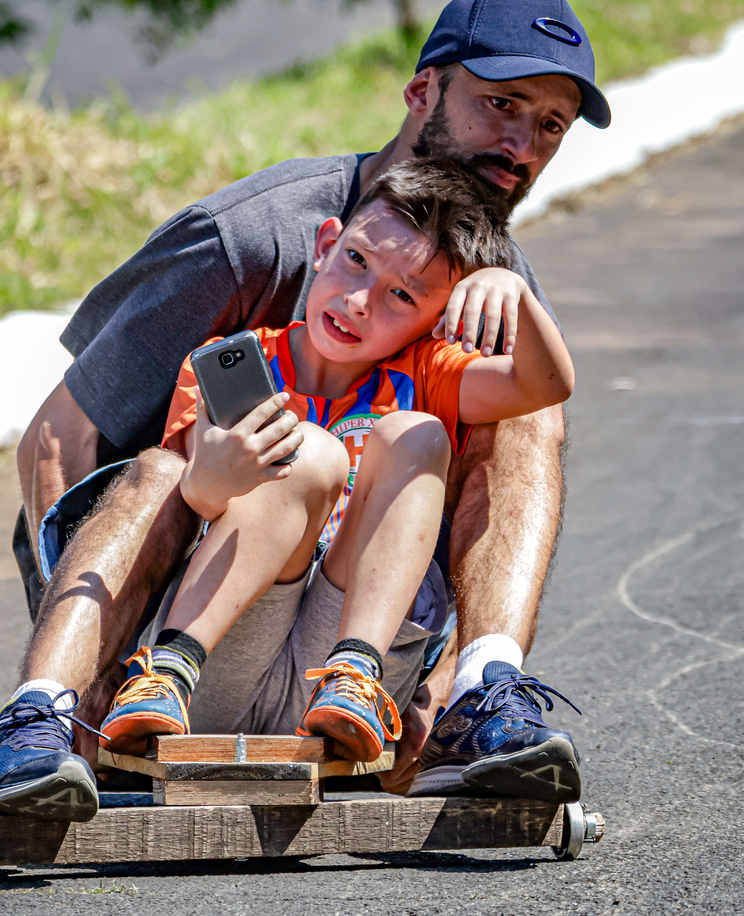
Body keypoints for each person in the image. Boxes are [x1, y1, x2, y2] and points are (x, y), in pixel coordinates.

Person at [0, 0, 612, 822]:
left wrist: (442, 676)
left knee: (522, 417)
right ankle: (42, 717)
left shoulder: (494, 282)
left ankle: (479, 699)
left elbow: (535, 399)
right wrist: (89, 671)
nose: (521, 144)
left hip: (351, 624)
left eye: (551, 125)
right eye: (501, 104)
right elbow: (57, 439)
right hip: (186, 591)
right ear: (423, 91)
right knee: (164, 467)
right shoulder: (251, 237)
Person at [97, 157, 576, 768]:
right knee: (310, 454)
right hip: (214, 662)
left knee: (418, 433)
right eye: (356, 260)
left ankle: (356, 672)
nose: (359, 301)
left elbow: (546, 385)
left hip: (349, 681)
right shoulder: (231, 365)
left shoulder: (426, 373)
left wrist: (516, 292)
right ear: (326, 244)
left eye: (402, 295)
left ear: (439, 319)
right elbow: (191, 513)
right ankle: (166, 670)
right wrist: (209, 483)